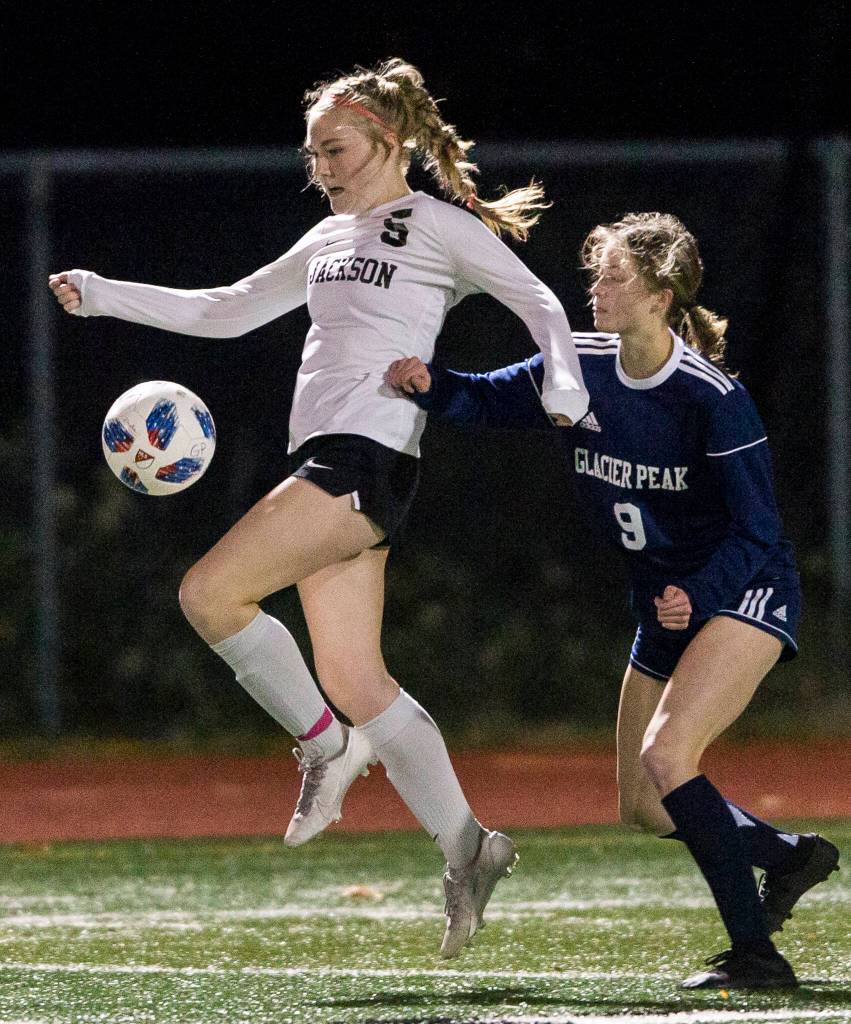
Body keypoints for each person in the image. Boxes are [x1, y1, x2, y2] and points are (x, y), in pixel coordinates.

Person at [48, 58, 589, 959]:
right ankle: (469, 848)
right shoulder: (327, 239)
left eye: (334, 148)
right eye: (311, 154)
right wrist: (106, 296)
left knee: (210, 595)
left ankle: (324, 749)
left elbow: (535, 299)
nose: (322, 167)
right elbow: (226, 310)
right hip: (333, 463)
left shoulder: (435, 224)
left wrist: (563, 382)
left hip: (365, 457)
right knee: (356, 676)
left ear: (388, 140)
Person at [386, 211, 839, 988]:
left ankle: (758, 959)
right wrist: (436, 386)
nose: (595, 287)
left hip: (743, 590)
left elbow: (760, 533)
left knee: (669, 757)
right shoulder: (580, 365)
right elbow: (494, 399)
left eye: (615, 276)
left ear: (662, 295)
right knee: (644, 803)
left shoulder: (710, 398)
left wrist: (697, 595)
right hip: (664, 605)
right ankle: (789, 856)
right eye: (594, 272)